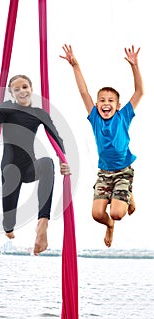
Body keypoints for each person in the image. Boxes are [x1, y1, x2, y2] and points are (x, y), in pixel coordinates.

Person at [60, 44, 144, 247]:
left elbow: (140, 91)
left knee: (117, 213)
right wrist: (75, 65)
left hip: (123, 170)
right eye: (102, 100)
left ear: (118, 105)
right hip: (104, 172)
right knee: (98, 214)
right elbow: (83, 92)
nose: (106, 103)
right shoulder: (95, 118)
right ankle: (109, 226)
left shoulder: (124, 116)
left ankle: (127, 194)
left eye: (111, 100)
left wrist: (134, 65)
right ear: (97, 105)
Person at [0, 74, 70, 256]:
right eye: (16, 89)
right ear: (11, 93)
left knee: (47, 163)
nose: (22, 91)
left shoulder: (40, 114)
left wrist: (63, 160)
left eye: (24, 87)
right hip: (10, 169)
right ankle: (9, 227)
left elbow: (56, 137)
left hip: (29, 167)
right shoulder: (6, 108)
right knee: (8, 224)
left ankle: (42, 222)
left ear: (31, 88)